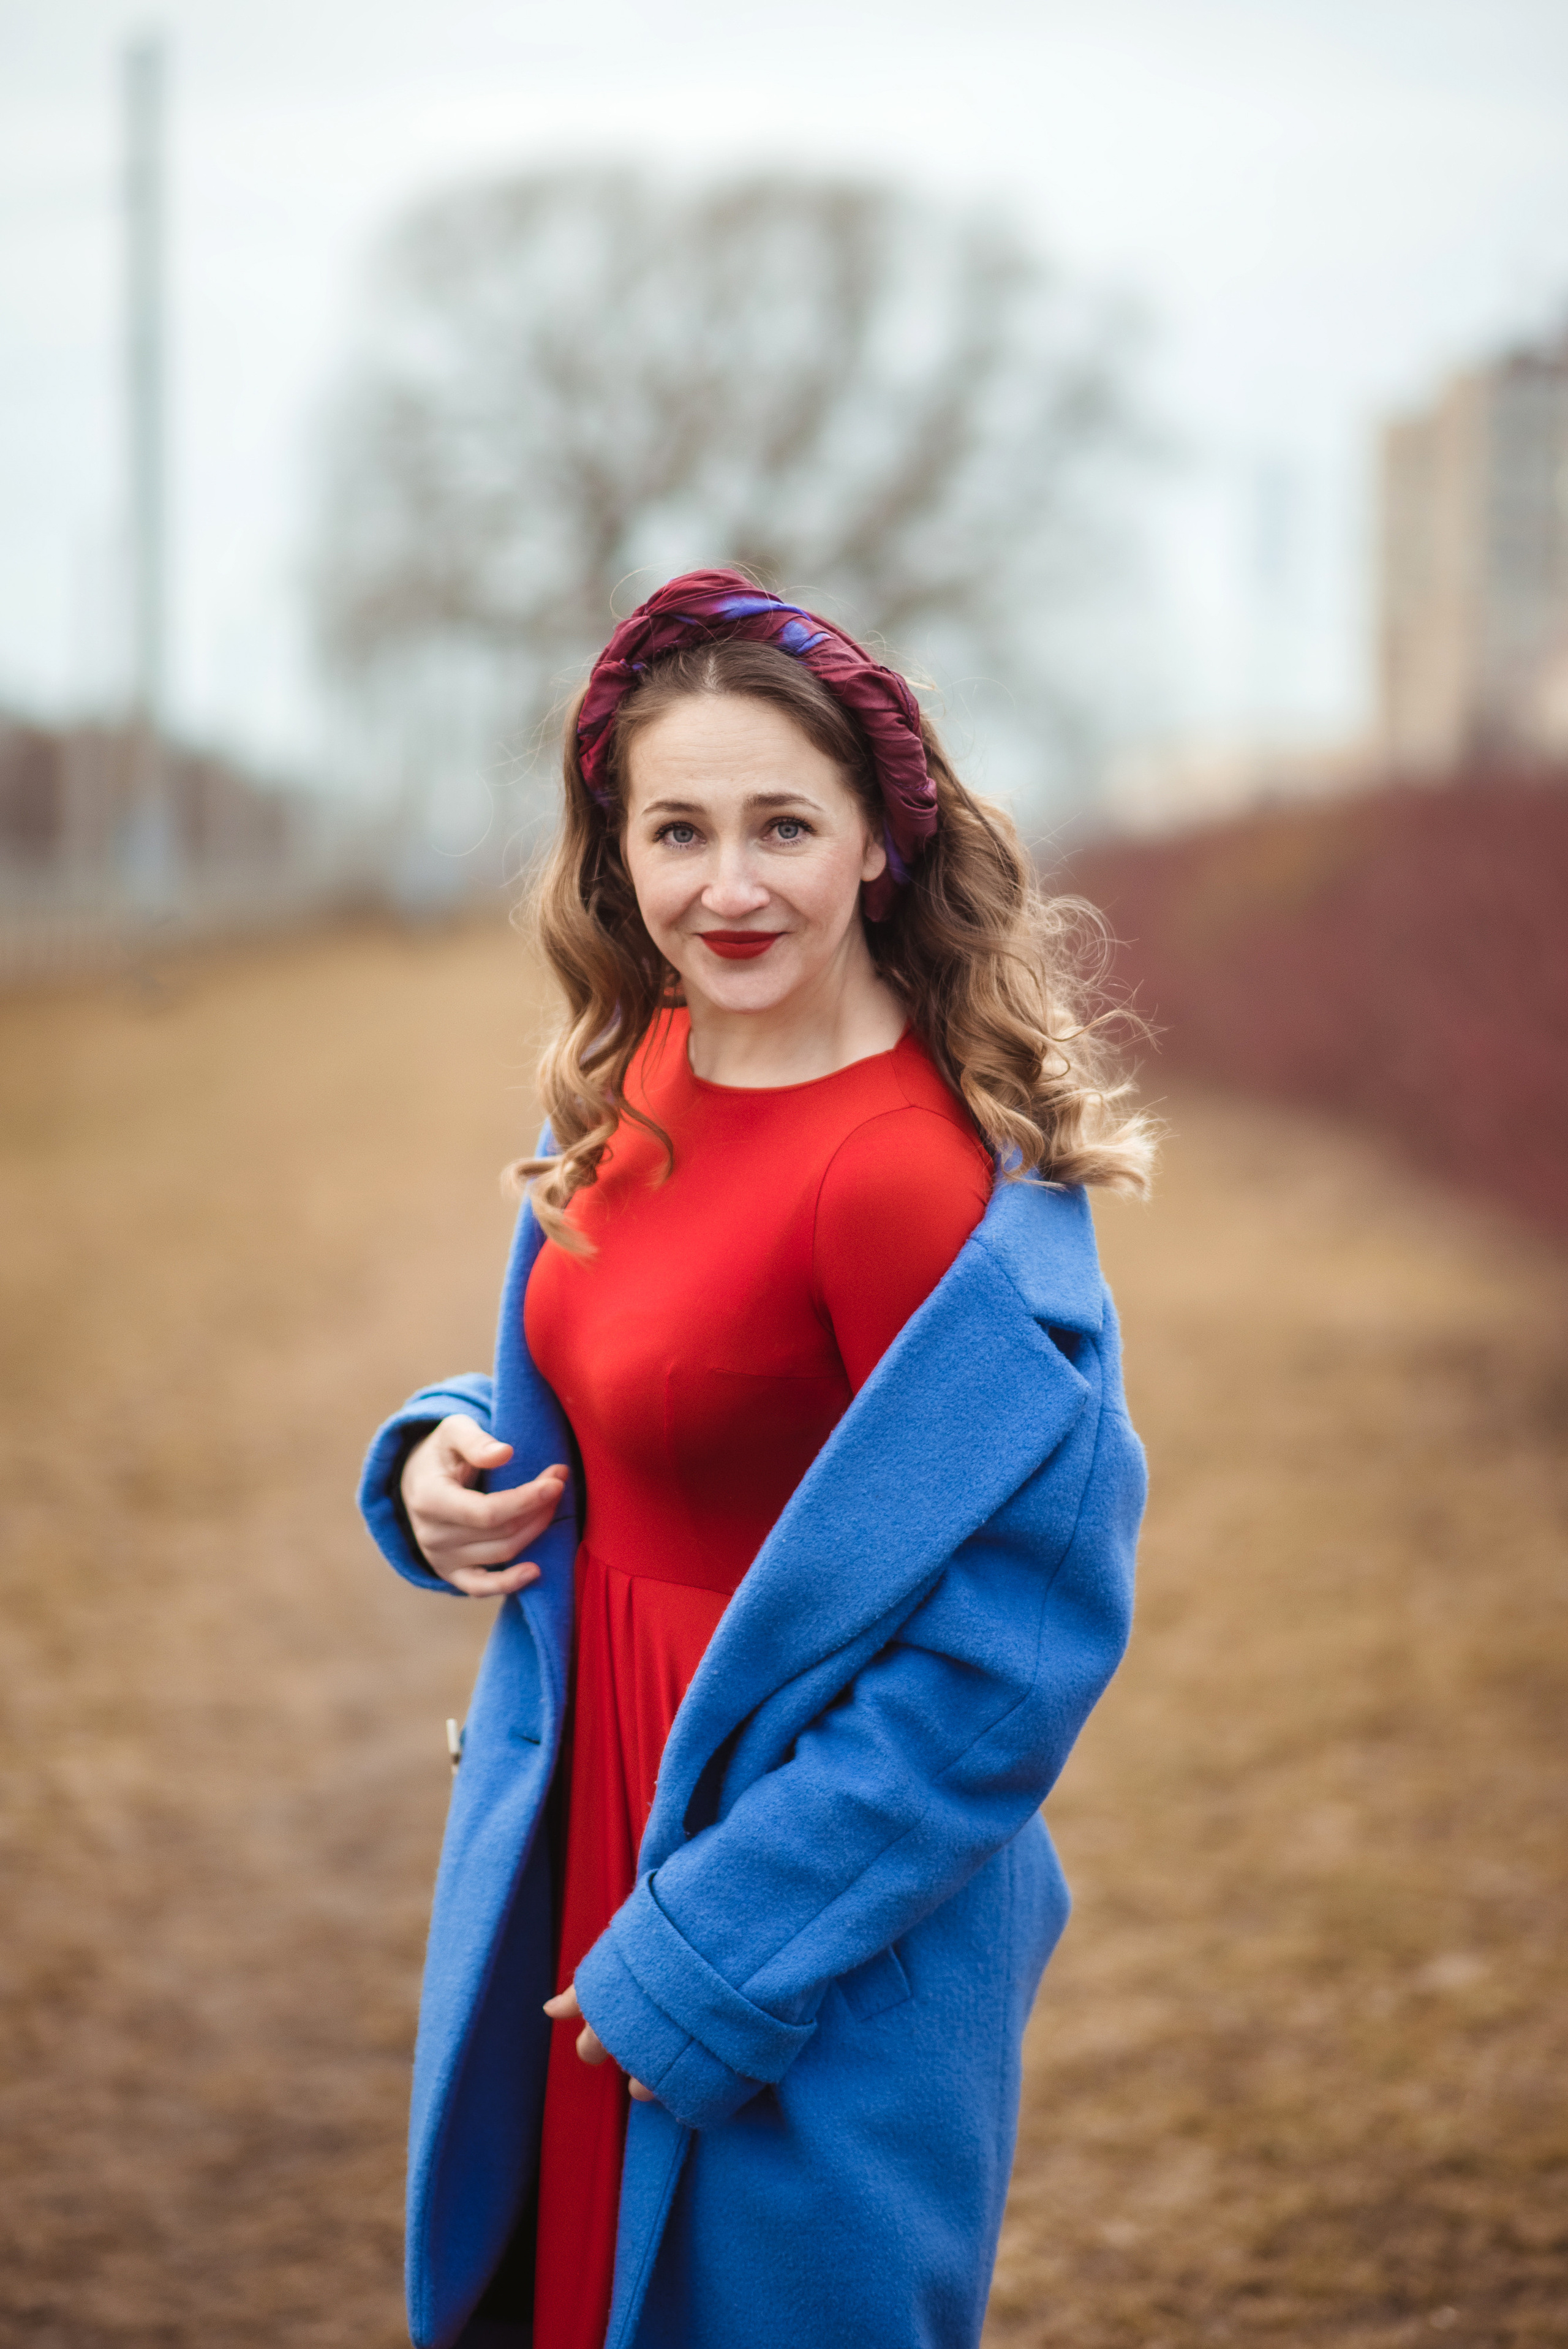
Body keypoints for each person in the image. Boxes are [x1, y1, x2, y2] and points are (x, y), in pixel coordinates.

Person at [358, 570, 1153, 2349]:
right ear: (613, 854)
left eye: (783, 824)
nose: (728, 885)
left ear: (879, 838)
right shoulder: (633, 1073)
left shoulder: (910, 1182)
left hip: (801, 1908)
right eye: (678, 829)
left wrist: (719, 1946)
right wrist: (438, 1458)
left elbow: (1008, 1658)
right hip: (595, 1825)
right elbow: (634, 1390)